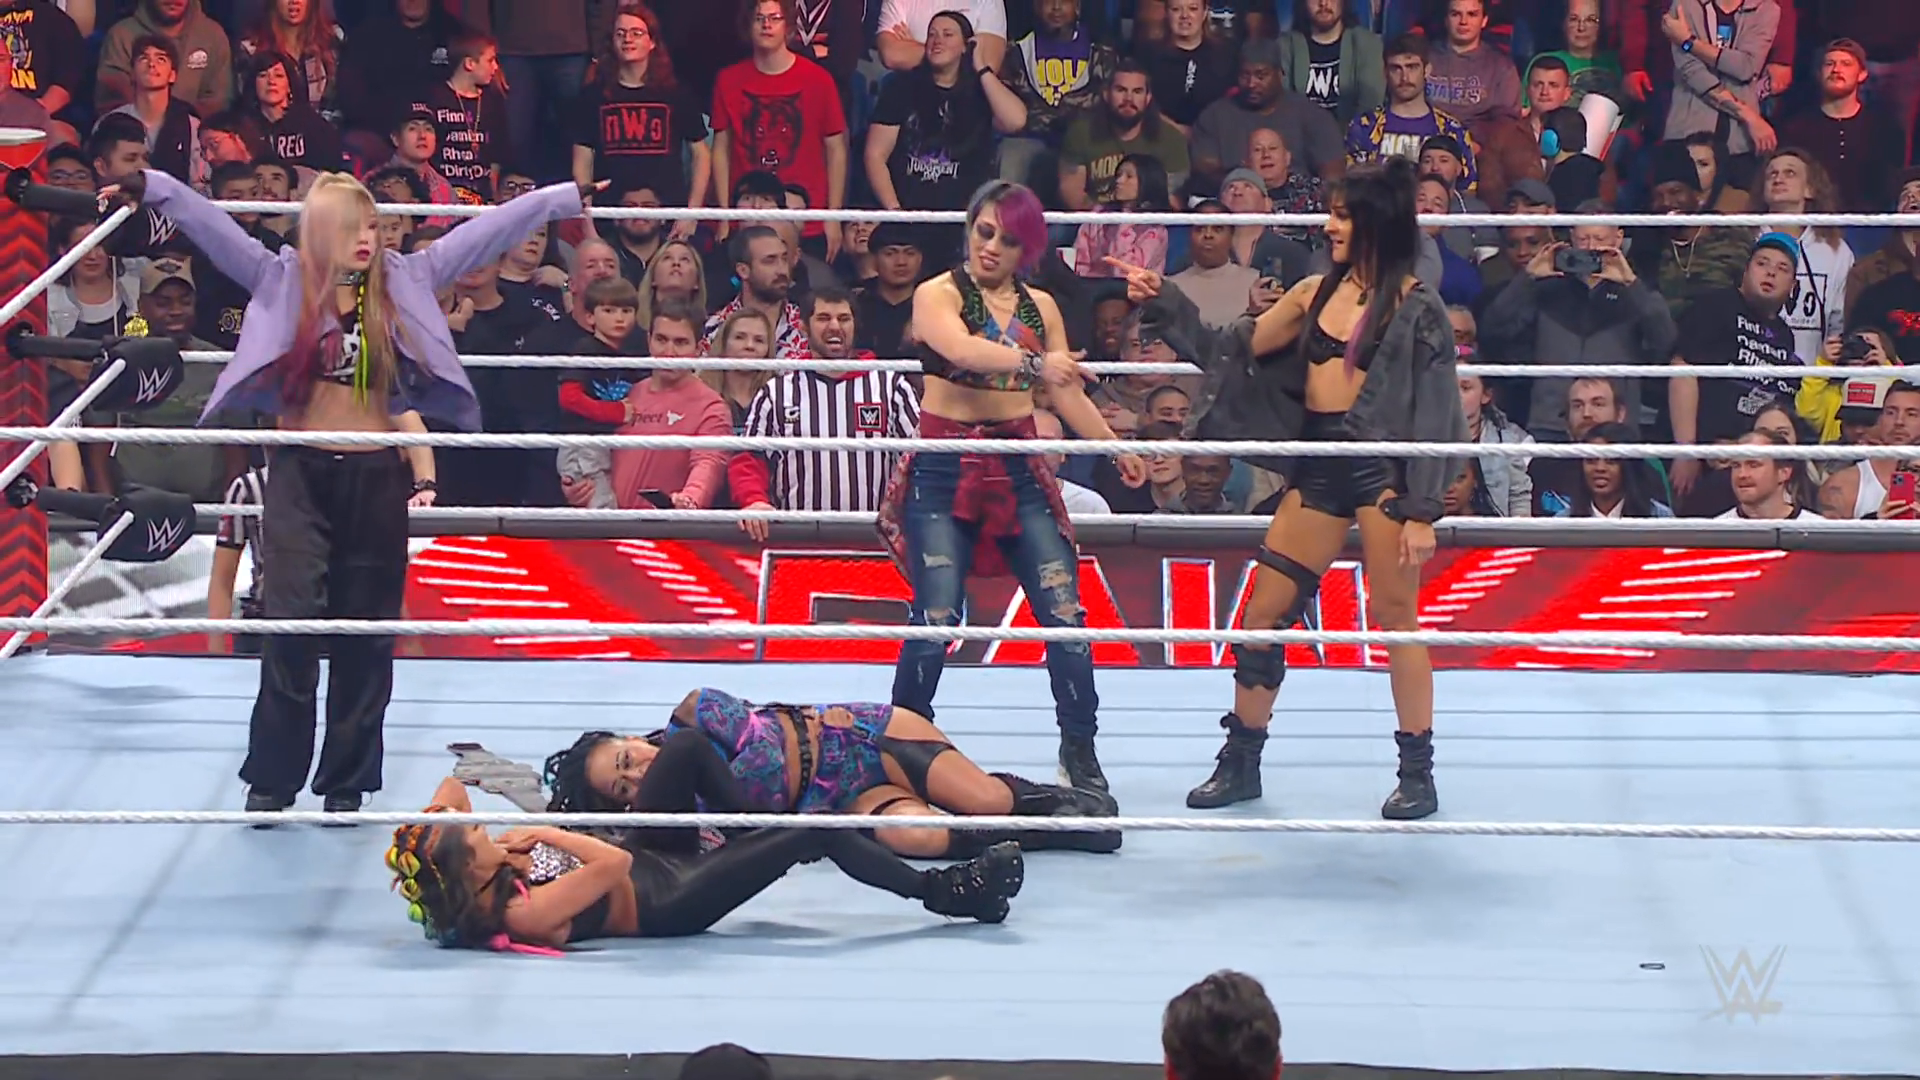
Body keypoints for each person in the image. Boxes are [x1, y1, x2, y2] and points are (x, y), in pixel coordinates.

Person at [109, 166, 607, 818]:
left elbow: (484, 233)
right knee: (289, 623)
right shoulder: (283, 278)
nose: (369, 238)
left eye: (373, 225)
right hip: (299, 471)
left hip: (375, 474)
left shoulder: (402, 279)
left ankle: (345, 779)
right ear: (322, 231)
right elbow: (211, 226)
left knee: (367, 633)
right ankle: (274, 777)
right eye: (354, 227)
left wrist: (559, 196)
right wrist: (152, 185)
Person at [1113, 157, 1462, 819]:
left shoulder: (1418, 307)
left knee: (1397, 619)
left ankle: (1417, 774)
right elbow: (1228, 349)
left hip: (1385, 470)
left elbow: (1440, 411)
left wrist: (1422, 510)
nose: (1328, 226)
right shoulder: (1312, 294)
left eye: (1342, 216)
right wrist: (1164, 300)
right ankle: (1241, 760)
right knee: (1262, 613)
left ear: (1374, 224)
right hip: (1321, 462)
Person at [877, 180, 1148, 794]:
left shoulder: (1041, 307)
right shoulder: (937, 294)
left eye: (1006, 238)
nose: (991, 246)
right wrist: (1037, 364)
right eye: (984, 231)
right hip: (945, 467)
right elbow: (962, 350)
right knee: (936, 614)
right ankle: (903, 751)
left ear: (1027, 248)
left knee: (1064, 612)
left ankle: (1079, 750)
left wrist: (1114, 447)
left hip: (1019, 466)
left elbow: (1063, 391)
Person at [390, 751, 1025, 953]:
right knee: (820, 830)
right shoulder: (521, 913)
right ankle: (945, 892)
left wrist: (420, 836)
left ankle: (757, 839)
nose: (483, 827)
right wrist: (550, 834)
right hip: (668, 897)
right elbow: (613, 866)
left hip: (646, 850)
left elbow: (450, 790)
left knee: (688, 747)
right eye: (474, 835)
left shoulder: (484, 861)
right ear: (468, 868)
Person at [544, 688, 1121, 858]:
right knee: (919, 839)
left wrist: (740, 812)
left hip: (866, 737)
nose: (638, 774)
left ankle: (1056, 798)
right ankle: (1054, 833)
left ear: (629, 739)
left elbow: (764, 759)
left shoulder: (694, 713)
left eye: (626, 760)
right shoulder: (683, 816)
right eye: (624, 787)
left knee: (986, 801)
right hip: (845, 799)